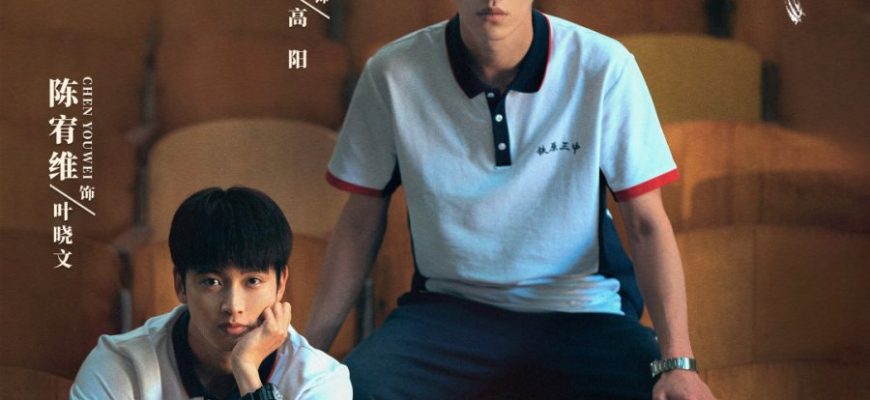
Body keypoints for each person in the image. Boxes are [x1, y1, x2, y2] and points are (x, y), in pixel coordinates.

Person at [308, 0, 716, 399]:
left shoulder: (603, 65)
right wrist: (307, 354)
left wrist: (678, 363)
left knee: (664, 394)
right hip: (446, 311)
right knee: (353, 389)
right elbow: (359, 224)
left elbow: (646, 224)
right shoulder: (392, 72)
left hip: (582, 308)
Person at [71, 187, 352, 400]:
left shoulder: (318, 380)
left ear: (280, 285)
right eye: (212, 282)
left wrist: (246, 369)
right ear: (180, 284)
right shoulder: (121, 365)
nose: (233, 305)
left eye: (253, 281)